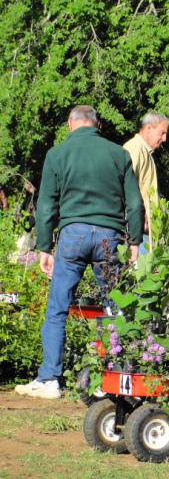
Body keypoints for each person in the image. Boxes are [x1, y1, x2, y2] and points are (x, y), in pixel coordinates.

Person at [14, 105, 143, 399]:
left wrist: (44, 247)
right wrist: (134, 242)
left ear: (71, 125)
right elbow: (135, 203)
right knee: (116, 308)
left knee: (57, 308)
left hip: (72, 235)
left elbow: (46, 205)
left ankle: (49, 379)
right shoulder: (119, 154)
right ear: (97, 125)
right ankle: (117, 377)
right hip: (108, 238)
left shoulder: (57, 154)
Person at [123, 111, 169, 253]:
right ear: (149, 128)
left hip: (144, 229)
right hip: (136, 230)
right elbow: (123, 187)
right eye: (162, 133)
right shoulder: (135, 149)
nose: (165, 138)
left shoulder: (145, 151)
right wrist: (138, 217)